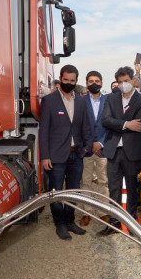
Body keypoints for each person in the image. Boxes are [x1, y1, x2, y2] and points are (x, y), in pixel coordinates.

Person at [39, 64, 93, 240]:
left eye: (72, 80)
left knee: (73, 190)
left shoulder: (82, 101)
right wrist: (45, 156)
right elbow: (44, 130)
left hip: (76, 154)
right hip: (56, 155)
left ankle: (70, 221)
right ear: (60, 79)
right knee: (56, 191)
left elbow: (85, 126)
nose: (69, 83)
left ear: (76, 81)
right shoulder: (49, 100)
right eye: (66, 80)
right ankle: (60, 224)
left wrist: (86, 147)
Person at [97, 66, 141, 236]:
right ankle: (114, 223)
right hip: (113, 149)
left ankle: (131, 221)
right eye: (120, 82)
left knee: (133, 187)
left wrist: (117, 122)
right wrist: (127, 124)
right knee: (114, 187)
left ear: (133, 80)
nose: (123, 84)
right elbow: (105, 120)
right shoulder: (111, 99)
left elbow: (139, 124)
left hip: (132, 150)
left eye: (126, 81)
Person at [79, 70, 110, 226]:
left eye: (97, 81)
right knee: (85, 182)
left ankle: (104, 212)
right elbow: (79, 125)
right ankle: (87, 213)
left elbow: (110, 124)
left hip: (103, 148)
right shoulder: (81, 101)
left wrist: (101, 143)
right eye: (91, 81)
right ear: (86, 83)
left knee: (103, 182)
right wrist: (90, 144)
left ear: (102, 83)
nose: (94, 84)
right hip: (87, 148)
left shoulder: (108, 100)